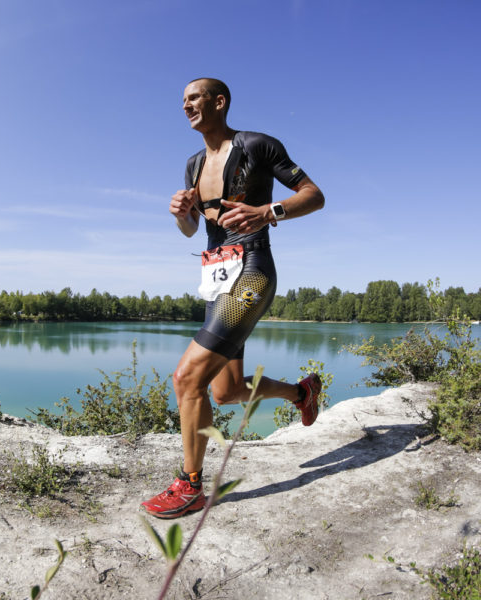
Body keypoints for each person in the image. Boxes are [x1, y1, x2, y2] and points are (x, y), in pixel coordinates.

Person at [141, 78, 325, 519]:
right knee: (225, 391)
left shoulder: (258, 145)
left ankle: (189, 485)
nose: (185, 105)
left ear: (218, 102)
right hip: (216, 280)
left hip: (252, 273)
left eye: (194, 98)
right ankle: (301, 392)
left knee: (187, 379)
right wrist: (181, 215)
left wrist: (268, 211)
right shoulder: (192, 164)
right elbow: (192, 230)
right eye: (181, 100)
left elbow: (314, 196)